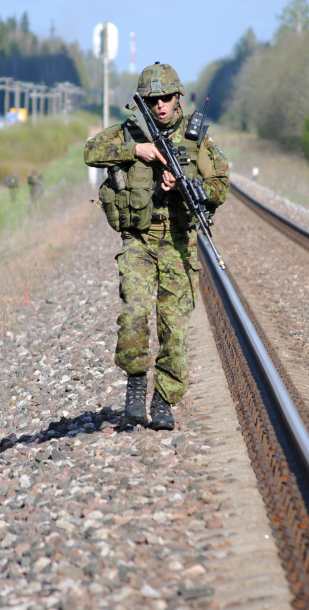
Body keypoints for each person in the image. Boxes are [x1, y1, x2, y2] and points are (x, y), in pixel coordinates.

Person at [84, 62, 229, 430]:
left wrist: (186, 187)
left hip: (179, 242)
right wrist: (138, 151)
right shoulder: (130, 133)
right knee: (133, 312)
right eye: (153, 99)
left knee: (174, 330)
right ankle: (135, 381)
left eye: (166, 98)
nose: (160, 105)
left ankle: (164, 399)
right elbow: (91, 152)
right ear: (143, 103)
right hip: (139, 240)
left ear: (178, 98)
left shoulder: (197, 141)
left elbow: (221, 187)